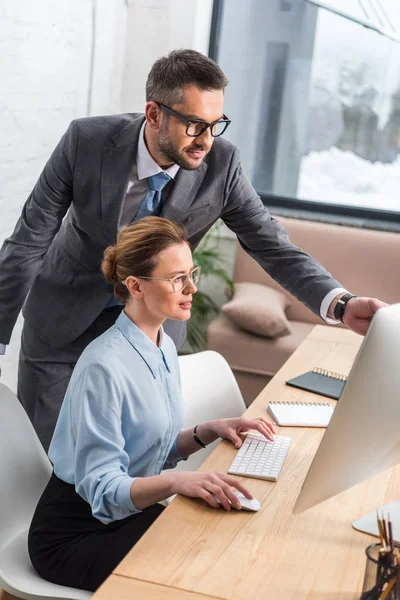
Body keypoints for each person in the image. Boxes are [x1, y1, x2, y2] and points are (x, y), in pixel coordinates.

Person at [0, 48, 386, 451]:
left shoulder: (223, 164)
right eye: (194, 125)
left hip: (149, 334)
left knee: (136, 457)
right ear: (153, 114)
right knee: (44, 463)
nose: (206, 140)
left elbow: (271, 244)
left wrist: (341, 304)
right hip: (63, 319)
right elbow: (28, 240)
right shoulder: (87, 142)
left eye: (216, 125)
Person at [28, 216, 276, 592]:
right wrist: (179, 480)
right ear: (135, 286)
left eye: (191, 273)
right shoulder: (103, 366)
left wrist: (206, 431)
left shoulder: (164, 346)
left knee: (220, 544)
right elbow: (103, 489)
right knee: (195, 576)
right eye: (177, 278)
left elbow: (147, 446)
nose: (192, 286)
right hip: (75, 533)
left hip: (125, 514)